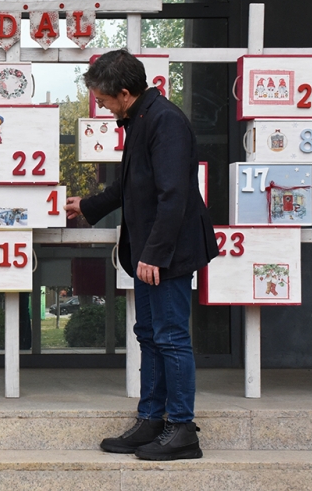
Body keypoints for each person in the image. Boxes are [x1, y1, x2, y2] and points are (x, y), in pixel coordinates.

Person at [63, 49, 219, 461]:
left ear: (126, 93)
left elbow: (174, 196)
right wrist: (89, 205)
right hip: (152, 251)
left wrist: (154, 254)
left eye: (103, 98)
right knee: (149, 336)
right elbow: (131, 186)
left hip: (166, 252)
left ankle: (182, 428)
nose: (100, 105)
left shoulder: (165, 122)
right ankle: (151, 419)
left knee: (170, 338)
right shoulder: (141, 119)